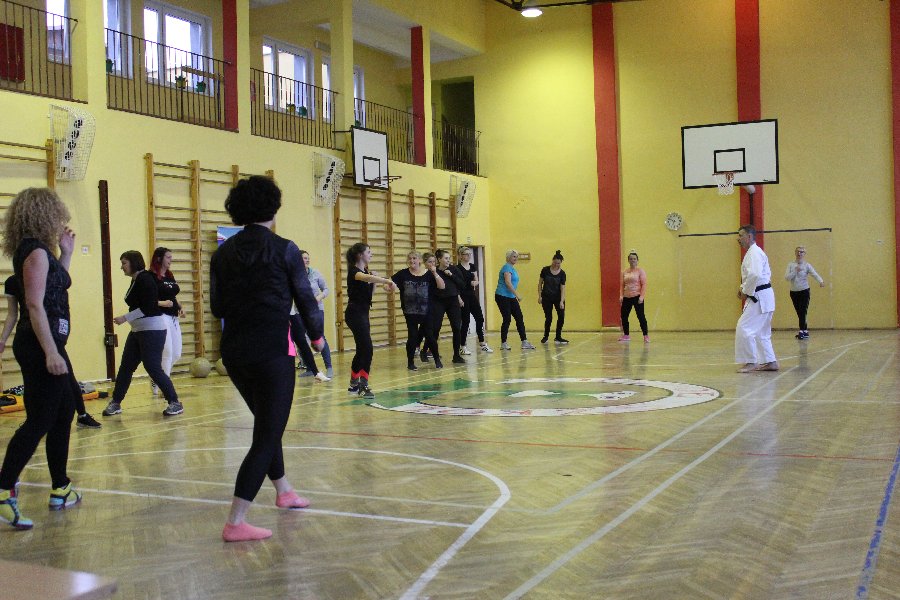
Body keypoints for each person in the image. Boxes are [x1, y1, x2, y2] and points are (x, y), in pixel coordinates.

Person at [210, 175, 326, 542]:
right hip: (272, 350)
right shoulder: (285, 249)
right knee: (267, 434)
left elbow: (217, 306)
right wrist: (317, 337)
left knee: (267, 424)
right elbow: (305, 298)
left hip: (234, 352)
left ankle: (284, 491)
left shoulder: (222, 253)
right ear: (274, 209)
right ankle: (236, 521)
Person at [0, 188, 82, 530]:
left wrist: (67, 253)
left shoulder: (41, 252)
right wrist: (50, 352)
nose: (61, 220)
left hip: (48, 343)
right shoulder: (33, 252)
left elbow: (56, 287)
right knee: (41, 419)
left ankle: (61, 486)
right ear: (43, 215)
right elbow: (34, 305)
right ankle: (3, 490)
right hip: (39, 345)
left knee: (63, 412)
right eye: (57, 214)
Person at [1, 275, 100, 429]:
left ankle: (82, 415)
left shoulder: (48, 276)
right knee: (31, 383)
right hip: (27, 336)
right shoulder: (13, 282)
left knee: (68, 376)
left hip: (49, 335)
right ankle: (32, 420)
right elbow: (12, 314)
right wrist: (2, 340)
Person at [102, 251, 183, 417]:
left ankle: (175, 402)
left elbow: (149, 307)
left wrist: (125, 318)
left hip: (152, 331)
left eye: (124, 263)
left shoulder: (145, 279)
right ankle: (116, 402)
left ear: (133, 263)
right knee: (126, 367)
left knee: (152, 367)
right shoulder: (137, 279)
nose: (122, 267)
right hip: (137, 331)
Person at [345, 242, 398, 399]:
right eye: (369, 252)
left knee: (362, 349)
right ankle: (363, 385)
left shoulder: (367, 272)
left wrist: (377, 283)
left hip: (363, 313)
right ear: (360, 255)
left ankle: (353, 383)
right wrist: (386, 280)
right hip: (354, 314)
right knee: (367, 348)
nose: (371, 254)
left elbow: (369, 294)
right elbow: (365, 277)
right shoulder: (354, 272)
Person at [736, 225, 779, 373]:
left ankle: (751, 362)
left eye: (741, 235)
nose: (738, 239)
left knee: (744, 328)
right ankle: (770, 362)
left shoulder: (754, 252)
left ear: (749, 236)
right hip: (764, 296)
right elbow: (754, 276)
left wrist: (745, 291)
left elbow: (755, 274)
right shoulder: (755, 252)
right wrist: (743, 287)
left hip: (759, 297)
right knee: (762, 332)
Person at [392, 251, 445, 371]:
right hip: (410, 312)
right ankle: (410, 363)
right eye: (410, 258)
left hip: (426, 311)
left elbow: (442, 286)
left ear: (420, 260)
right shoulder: (403, 273)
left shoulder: (428, 274)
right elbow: (390, 283)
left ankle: (437, 359)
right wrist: (389, 286)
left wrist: (435, 273)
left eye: (414, 258)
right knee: (412, 337)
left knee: (430, 336)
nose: (412, 261)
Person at [148, 247, 183, 396]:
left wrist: (179, 307)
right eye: (168, 257)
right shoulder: (151, 277)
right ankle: (165, 387)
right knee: (167, 352)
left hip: (173, 317)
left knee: (176, 353)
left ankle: (157, 376)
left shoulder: (169, 275)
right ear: (159, 258)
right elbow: (147, 300)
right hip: (160, 317)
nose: (171, 260)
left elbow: (172, 296)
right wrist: (162, 303)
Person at [294, 250, 333, 380]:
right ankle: (310, 368)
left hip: (316, 310)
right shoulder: (294, 274)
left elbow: (326, 289)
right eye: (304, 258)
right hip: (299, 311)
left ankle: (329, 367)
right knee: (301, 339)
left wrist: (319, 297)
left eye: (308, 258)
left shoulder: (316, 273)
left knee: (320, 337)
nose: (307, 260)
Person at [495, 249, 535, 351]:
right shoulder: (507, 268)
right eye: (514, 256)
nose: (516, 258)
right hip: (502, 296)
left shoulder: (512, 268)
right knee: (507, 318)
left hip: (510, 297)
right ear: (508, 257)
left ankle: (524, 342)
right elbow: (508, 283)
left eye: (517, 257)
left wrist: (514, 295)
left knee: (519, 317)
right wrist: (517, 295)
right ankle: (503, 343)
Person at [432, 249, 467, 364]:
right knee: (436, 328)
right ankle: (433, 354)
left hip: (453, 301)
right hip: (439, 301)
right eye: (446, 258)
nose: (448, 260)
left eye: (449, 258)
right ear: (439, 259)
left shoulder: (454, 269)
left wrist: (451, 275)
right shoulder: (435, 271)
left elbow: (462, 285)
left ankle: (456, 355)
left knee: (457, 328)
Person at [784, 246, 825, 340]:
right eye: (798, 251)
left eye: (802, 252)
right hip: (793, 292)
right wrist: (795, 271)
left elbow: (814, 274)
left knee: (803, 311)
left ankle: (801, 331)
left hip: (804, 291)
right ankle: (805, 331)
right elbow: (787, 278)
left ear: (804, 254)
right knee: (799, 312)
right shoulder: (791, 265)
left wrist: (821, 281)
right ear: (795, 253)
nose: (799, 253)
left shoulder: (807, 265)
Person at [456, 246, 492, 354]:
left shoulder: (472, 266)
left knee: (480, 318)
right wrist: (459, 298)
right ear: (461, 256)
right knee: (465, 321)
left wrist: (475, 282)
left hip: (472, 295)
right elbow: (457, 285)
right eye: (466, 254)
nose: (469, 256)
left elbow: (476, 279)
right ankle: (463, 346)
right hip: (463, 296)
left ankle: (482, 343)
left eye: (469, 254)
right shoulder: (457, 268)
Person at [538, 250, 568, 345]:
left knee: (561, 316)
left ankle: (558, 337)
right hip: (546, 297)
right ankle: (545, 336)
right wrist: (540, 296)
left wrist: (562, 301)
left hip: (558, 297)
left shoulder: (562, 273)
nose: (556, 265)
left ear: (561, 263)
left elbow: (562, 288)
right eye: (555, 262)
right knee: (549, 317)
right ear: (552, 260)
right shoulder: (545, 270)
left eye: (558, 263)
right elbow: (540, 283)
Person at [619, 251, 649, 343]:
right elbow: (622, 285)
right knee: (624, 316)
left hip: (637, 297)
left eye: (634, 259)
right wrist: (621, 295)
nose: (633, 260)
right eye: (631, 259)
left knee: (641, 316)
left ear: (637, 260)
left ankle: (646, 335)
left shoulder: (640, 271)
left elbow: (644, 284)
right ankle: (626, 335)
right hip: (626, 297)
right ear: (628, 260)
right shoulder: (624, 272)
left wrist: (641, 297)